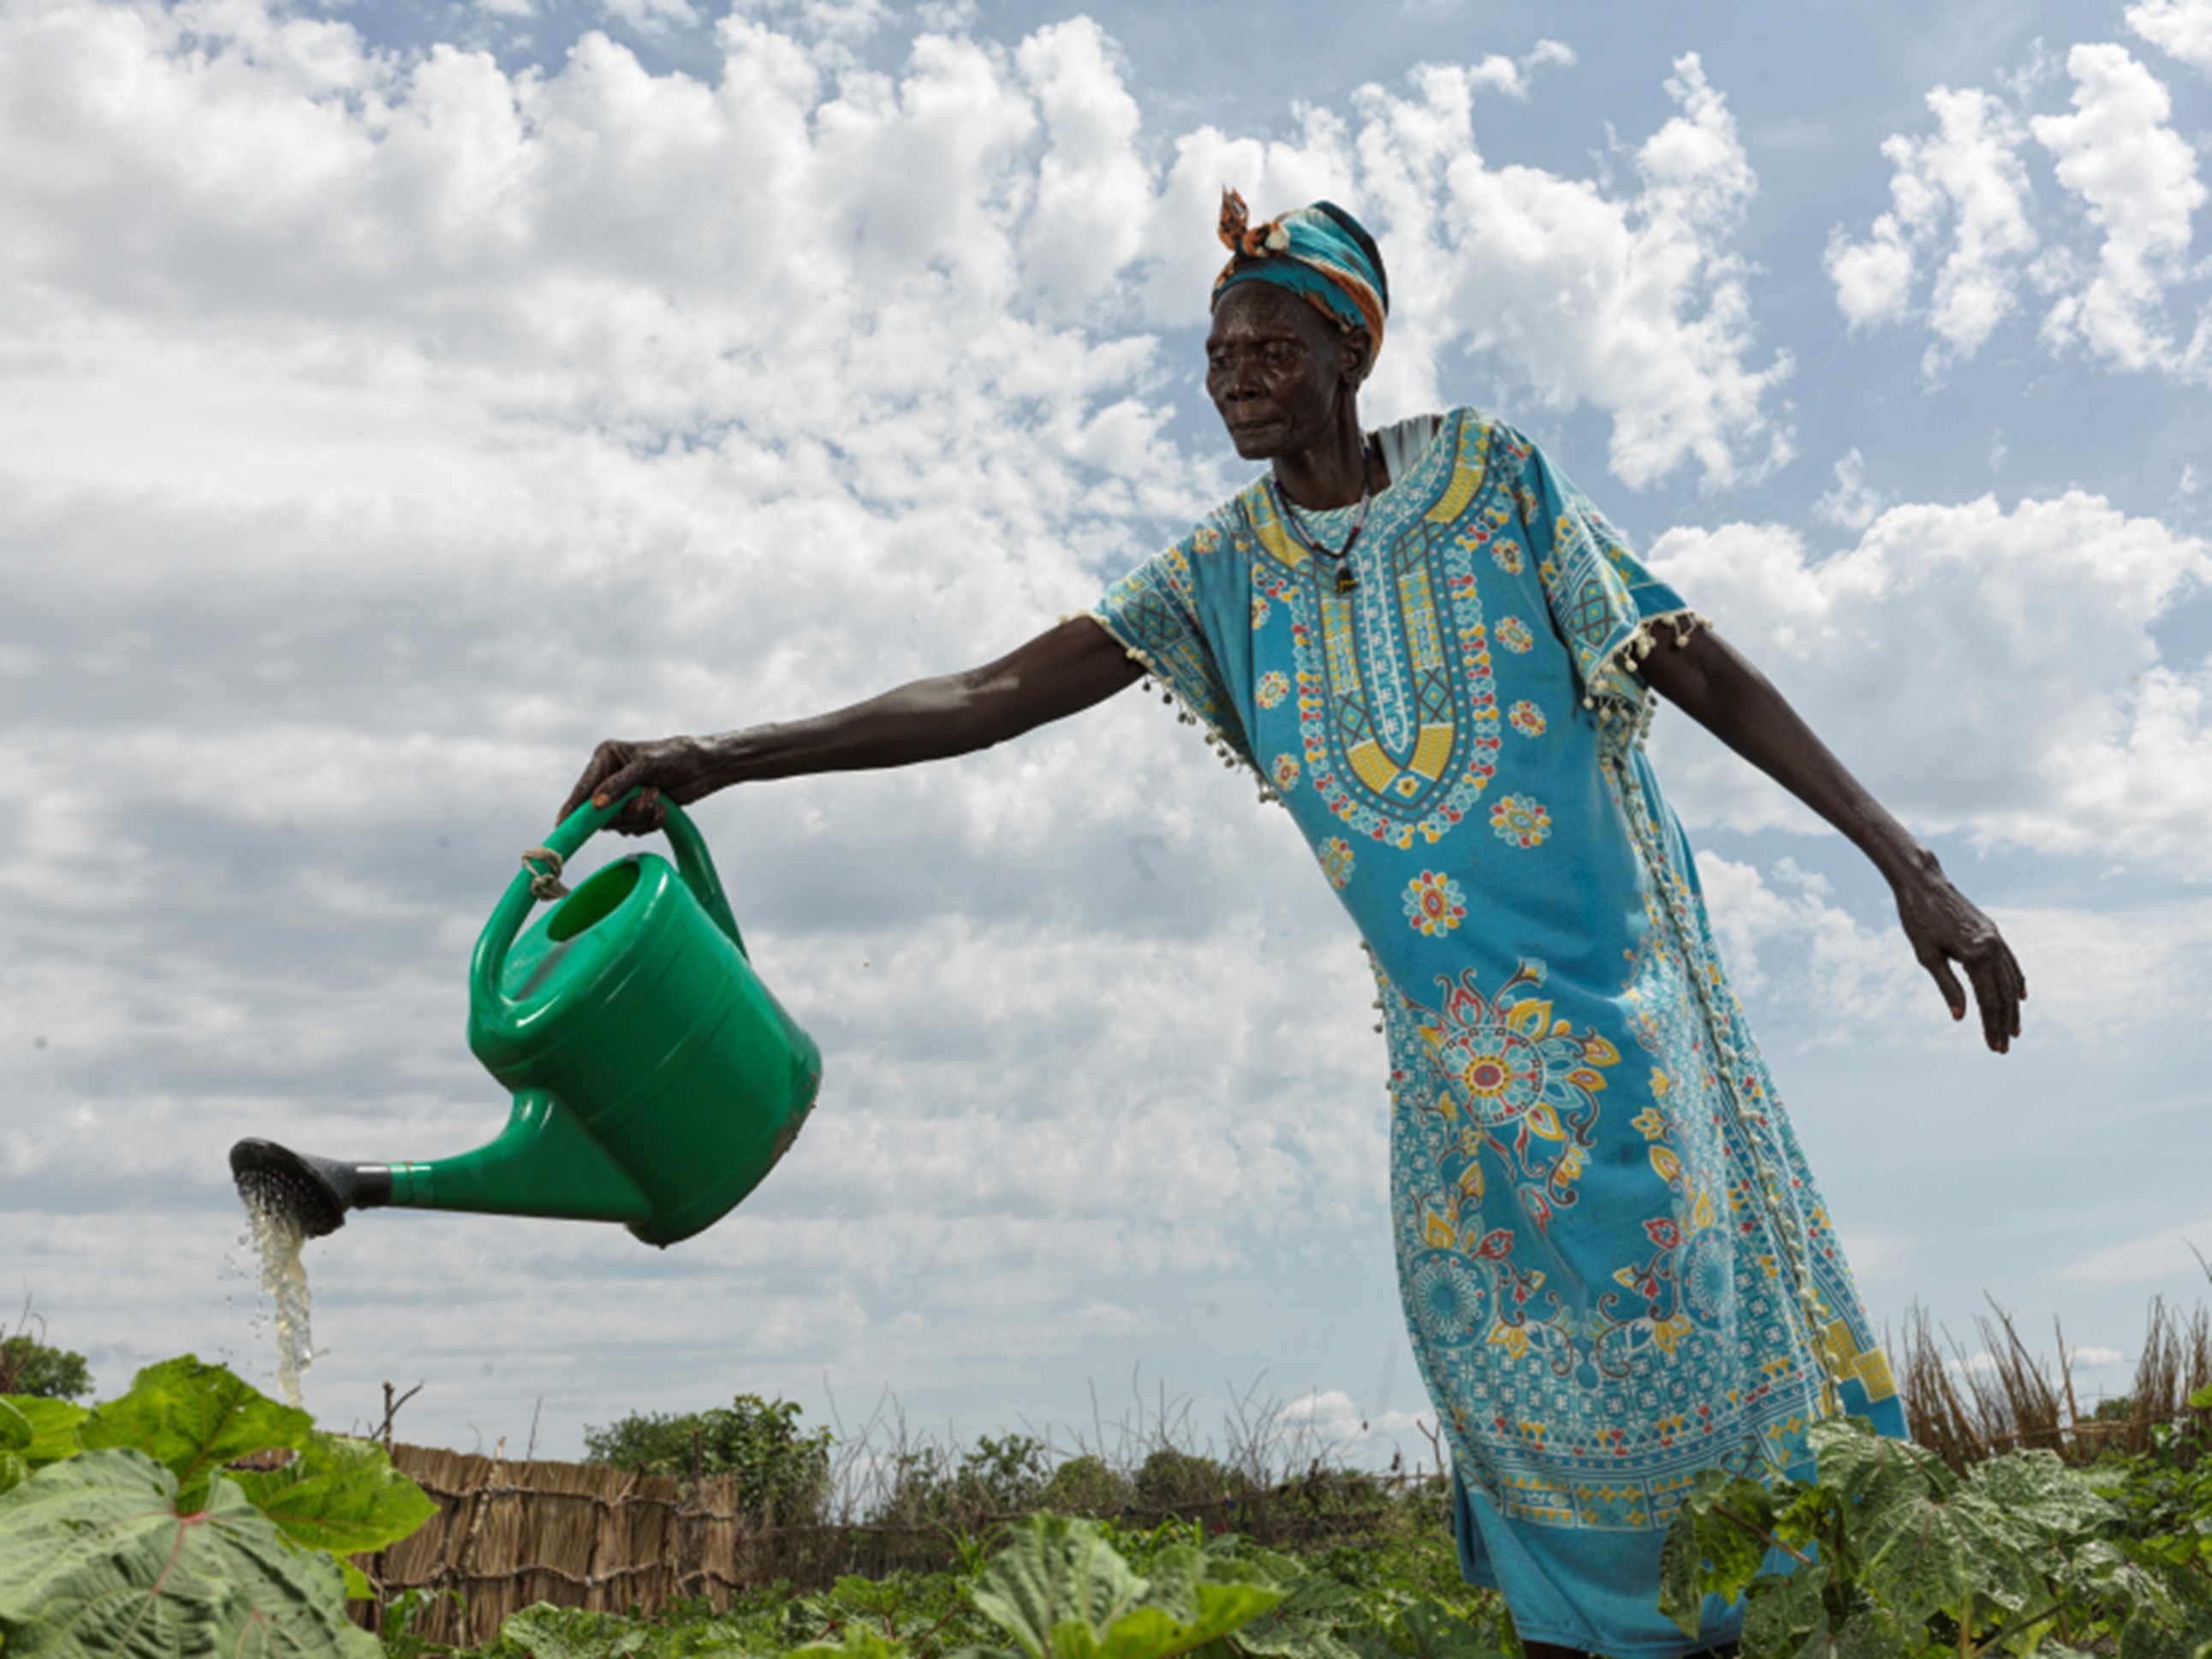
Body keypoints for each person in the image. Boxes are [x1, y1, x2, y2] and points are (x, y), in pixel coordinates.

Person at [560, 193, 2025, 1659]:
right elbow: (987, 695)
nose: (1233, 370)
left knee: (1699, 1350)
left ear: (1351, 347)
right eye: (1215, 349)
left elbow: (1688, 657)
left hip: (1629, 1030)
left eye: (1268, 342)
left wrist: (1906, 862)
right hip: (1463, 1084)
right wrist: (726, 753)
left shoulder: (1492, 474)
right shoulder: (1217, 577)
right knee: (1509, 1394)